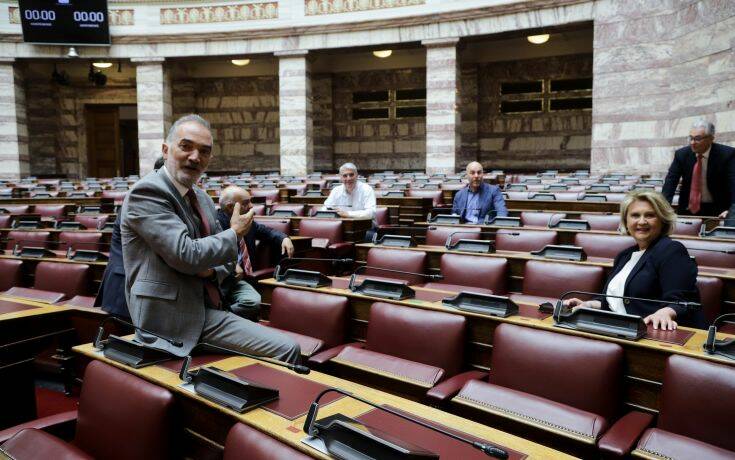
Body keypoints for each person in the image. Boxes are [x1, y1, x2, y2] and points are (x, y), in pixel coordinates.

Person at [120, 114, 300, 363]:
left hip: (209, 306)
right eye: (186, 146)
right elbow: (186, 254)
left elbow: (226, 261)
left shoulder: (203, 199)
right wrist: (233, 234)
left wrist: (209, 270)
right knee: (288, 348)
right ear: (166, 149)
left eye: (204, 151)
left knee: (282, 345)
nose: (195, 157)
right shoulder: (148, 192)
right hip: (170, 318)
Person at [564, 190, 703, 330]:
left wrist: (665, 312)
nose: (642, 222)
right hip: (617, 328)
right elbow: (615, 300)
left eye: (650, 215)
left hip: (652, 333)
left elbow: (682, 300)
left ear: (662, 220)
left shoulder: (671, 250)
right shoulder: (624, 256)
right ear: (626, 221)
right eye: (635, 215)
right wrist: (588, 305)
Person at [95, 157, 165, 319]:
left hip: (132, 284)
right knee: (126, 341)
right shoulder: (144, 197)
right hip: (125, 285)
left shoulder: (149, 194)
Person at [216, 185, 294, 320]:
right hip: (218, 280)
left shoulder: (246, 222)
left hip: (238, 282)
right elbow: (209, 251)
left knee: (254, 303)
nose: (252, 206)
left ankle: (219, 318)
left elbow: (268, 232)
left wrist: (284, 238)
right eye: (246, 203)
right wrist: (231, 263)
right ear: (230, 207)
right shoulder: (213, 223)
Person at [662, 120, 735, 217]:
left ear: (711, 138)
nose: (692, 142)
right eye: (690, 138)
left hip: (719, 210)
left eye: (698, 138)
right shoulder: (682, 154)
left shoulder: (727, 154)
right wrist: (663, 208)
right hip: (687, 209)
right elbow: (670, 182)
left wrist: (732, 210)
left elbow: (733, 183)